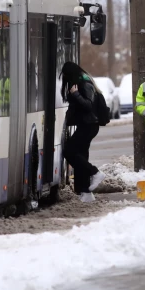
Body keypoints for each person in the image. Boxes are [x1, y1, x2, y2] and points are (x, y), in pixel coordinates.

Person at [61, 62, 106, 202]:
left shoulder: (84, 83)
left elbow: (88, 105)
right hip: (86, 124)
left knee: (69, 151)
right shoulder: (82, 80)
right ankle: (85, 193)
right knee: (80, 156)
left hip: (89, 125)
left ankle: (95, 172)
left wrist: (75, 94)